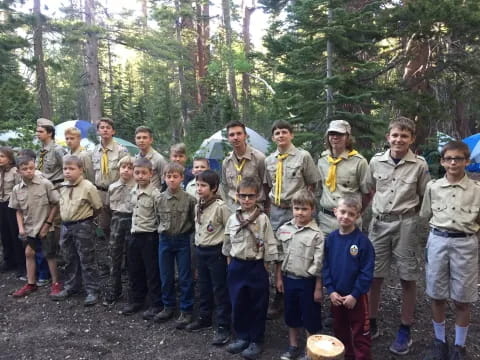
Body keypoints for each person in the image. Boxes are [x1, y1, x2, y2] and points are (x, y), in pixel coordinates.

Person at [365, 116, 430, 355]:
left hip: (406, 224)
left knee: (407, 276)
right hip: (380, 224)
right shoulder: (376, 162)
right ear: (388, 137)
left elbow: (426, 196)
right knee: (374, 275)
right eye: (395, 135)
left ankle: (405, 328)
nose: (399, 139)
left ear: (412, 139)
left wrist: (418, 222)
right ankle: (370, 323)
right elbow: (370, 189)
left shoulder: (419, 165)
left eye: (404, 136)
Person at [420, 141, 480, 360]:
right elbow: (426, 214)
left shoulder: (477, 190)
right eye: (449, 158)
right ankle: (440, 342)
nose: (453, 162)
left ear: (466, 161)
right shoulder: (433, 187)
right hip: (438, 241)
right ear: (443, 161)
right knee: (437, 295)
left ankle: (459, 346)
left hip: (465, 244)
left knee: (462, 299)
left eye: (458, 158)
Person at [264, 120, 321, 319]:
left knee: (300, 251)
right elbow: (268, 185)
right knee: (279, 252)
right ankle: (280, 294)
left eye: (284, 132)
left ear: (291, 135)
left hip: (296, 211)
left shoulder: (303, 156)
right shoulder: (270, 160)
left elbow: (312, 183)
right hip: (277, 211)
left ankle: (306, 291)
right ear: (273, 137)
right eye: (277, 132)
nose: (281, 135)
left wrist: (303, 207)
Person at [223, 177, 278, 359]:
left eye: (250, 196)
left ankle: (256, 339)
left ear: (257, 197)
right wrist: (231, 264)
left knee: (258, 304)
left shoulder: (262, 219)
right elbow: (227, 242)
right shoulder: (232, 218)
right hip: (237, 266)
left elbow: (270, 243)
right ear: (237, 196)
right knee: (238, 302)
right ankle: (242, 336)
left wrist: (266, 266)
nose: (246, 199)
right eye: (243, 196)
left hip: (256, 266)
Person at [323, 196, 375, 360]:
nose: (345, 216)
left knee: (361, 333)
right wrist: (330, 290)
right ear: (335, 211)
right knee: (340, 330)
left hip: (356, 298)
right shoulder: (331, 239)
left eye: (351, 214)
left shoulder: (362, 242)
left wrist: (355, 294)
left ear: (358, 216)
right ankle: (346, 356)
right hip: (337, 296)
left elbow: (367, 272)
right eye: (342, 212)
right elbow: (326, 267)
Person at [275, 189, 324, 360]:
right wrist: (279, 278)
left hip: (308, 282)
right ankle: (293, 345)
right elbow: (279, 256)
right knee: (291, 314)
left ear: (312, 210)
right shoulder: (284, 230)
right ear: (291, 208)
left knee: (310, 316)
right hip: (289, 279)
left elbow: (319, 264)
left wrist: (318, 288)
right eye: (297, 208)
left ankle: (310, 350)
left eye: (304, 209)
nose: (300, 212)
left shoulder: (317, 235)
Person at [186, 170, 232, 345]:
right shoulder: (198, 205)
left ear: (214, 188)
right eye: (197, 185)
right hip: (201, 251)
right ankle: (204, 318)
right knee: (203, 287)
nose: (199, 188)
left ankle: (223, 326)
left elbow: (229, 230)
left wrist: (227, 254)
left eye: (203, 185)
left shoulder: (221, 207)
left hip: (216, 253)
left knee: (220, 289)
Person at [51, 156, 103, 306]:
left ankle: (92, 290)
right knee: (69, 258)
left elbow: (98, 208)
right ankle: (71, 286)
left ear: (81, 170)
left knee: (87, 259)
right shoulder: (62, 186)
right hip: (66, 226)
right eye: (65, 169)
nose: (67, 172)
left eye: (72, 169)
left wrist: (85, 221)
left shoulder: (88, 187)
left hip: (82, 226)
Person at [9, 156, 61, 298]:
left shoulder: (45, 184)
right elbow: (18, 210)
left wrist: (48, 224)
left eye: (31, 168)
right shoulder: (16, 189)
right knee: (29, 253)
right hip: (29, 228)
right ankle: (31, 283)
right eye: (25, 169)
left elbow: (56, 203)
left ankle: (56, 283)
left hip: (45, 227)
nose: (29, 171)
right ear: (18, 171)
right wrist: (21, 228)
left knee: (50, 254)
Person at [119, 157, 163, 319]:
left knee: (152, 271)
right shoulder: (133, 191)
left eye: (144, 173)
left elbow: (159, 217)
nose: (140, 176)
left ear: (150, 174)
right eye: (137, 173)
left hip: (149, 237)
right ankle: (137, 300)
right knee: (134, 270)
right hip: (134, 234)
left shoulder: (156, 195)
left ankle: (156, 304)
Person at [154, 162, 196, 328]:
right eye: (168, 176)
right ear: (164, 178)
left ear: (182, 178)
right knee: (166, 276)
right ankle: (168, 306)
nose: (172, 180)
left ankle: (186, 310)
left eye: (175, 177)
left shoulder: (189, 200)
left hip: (182, 240)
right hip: (164, 240)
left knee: (185, 276)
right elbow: (157, 218)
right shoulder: (159, 199)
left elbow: (193, 221)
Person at [317, 120, 369, 237]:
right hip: (326, 220)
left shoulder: (359, 162)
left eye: (340, 134)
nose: (335, 137)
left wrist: (356, 213)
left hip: (349, 220)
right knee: (325, 254)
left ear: (348, 137)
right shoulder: (322, 160)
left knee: (350, 254)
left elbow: (368, 193)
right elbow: (320, 187)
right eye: (332, 133)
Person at [91, 117, 129, 275]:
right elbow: (90, 172)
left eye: (108, 127)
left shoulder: (121, 150)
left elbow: (126, 173)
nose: (105, 130)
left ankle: (125, 260)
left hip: (117, 193)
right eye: (102, 127)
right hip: (100, 192)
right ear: (98, 131)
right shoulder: (94, 151)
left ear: (113, 131)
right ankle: (113, 254)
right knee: (105, 227)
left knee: (121, 227)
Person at [103, 155, 135, 306]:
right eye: (123, 167)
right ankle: (114, 290)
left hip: (133, 223)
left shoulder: (137, 188)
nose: (126, 171)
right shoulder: (112, 187)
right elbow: (108, 208)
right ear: (119, 169)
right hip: (116, 224)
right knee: (114, 257)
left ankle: (132, 291)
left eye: (130, 168)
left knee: (132, 258)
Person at [221, 121, 267, 212]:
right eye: (232, 135)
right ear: (228, 138)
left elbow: (265, 185)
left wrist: (266, 208)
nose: (235, 137)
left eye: (239, 134)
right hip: (233, 208)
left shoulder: (259, 158)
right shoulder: (227, 162)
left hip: (254, 208)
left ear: (245, 136)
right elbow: (225, 186)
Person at [0, 146, 23, 276]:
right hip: (1, 204)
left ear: (9, 158)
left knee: (15, 234)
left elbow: (19, 190)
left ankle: (21, 264)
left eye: (2, 156)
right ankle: (9, 261)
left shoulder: (15, 172)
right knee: (4, 234)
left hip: (12, 206)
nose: (0, 159)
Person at [36, 118, 66, 185]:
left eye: (41, 132)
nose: (37, 134)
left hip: (56, 186)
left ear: (50, 133)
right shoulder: (40, 151)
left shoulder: (57, 150)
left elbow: (67, 169)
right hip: (43, 186)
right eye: (37, 131)